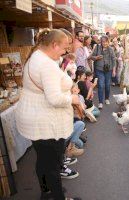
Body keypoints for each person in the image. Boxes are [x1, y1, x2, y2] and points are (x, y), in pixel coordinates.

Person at [15, 29, 81, 200]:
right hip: (45, 123)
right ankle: (57, 197)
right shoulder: (46, 65)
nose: (65, 52)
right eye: (64, 47)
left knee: (43, 161)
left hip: (36, 119)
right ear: (54, 44)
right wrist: (72, 98)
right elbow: (55, 98)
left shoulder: (37, 56)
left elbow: (51, 84)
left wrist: (67, 86)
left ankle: (47, 193)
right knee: (52, 165)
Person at [91, 35, 116, 109]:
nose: (104, 43)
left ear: (108, 42)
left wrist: (114, 70)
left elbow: (113, 60)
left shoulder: (111, 49)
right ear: (101, 42)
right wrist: (96, 57)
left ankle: (107, 98)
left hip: (108, 69)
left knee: (107, 85)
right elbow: (92, 57)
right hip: (99, 69)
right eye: (103, 42)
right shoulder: (97, 47)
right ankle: (100, 102)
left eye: (106, 42)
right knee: (101, 85)